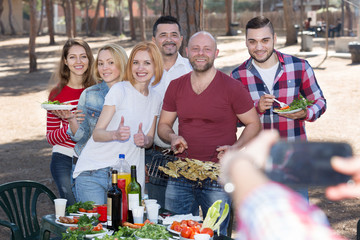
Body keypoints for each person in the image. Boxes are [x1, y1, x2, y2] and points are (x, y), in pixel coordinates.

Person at [157, 31, 262, 235]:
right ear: (187, 52)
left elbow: (253, 124)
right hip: (180, 173)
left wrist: (235, 148)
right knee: (174, 232)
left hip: (218, 175)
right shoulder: (176, 86)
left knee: (215, 234)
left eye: (207, 49)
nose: (200, 53)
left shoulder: (232, 87)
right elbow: (164, 125)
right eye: (195, 48)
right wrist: (172, 137)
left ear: (216, 53)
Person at [230, 16, 327, 200]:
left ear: (274, 39)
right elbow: (232, 119)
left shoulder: (299, 67)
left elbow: (320, 101)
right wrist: (255, 108)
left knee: (296, 219)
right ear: (246, 43)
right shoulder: (238, 75)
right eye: (253, 41)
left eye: (265, 40)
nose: (259, 47)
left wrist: (306, 113)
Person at [72, 42, 163, 204]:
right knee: (95, 228)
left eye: (147, 63)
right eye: (136, 62)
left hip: (125, 177)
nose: (140, 68)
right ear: (129, 66)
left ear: (156, 67)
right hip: (94, 172)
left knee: (124, 228)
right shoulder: (120, 90)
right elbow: (97, 133)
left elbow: (149, 139)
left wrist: (145, 140)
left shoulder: (155, 98)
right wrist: (115, 134)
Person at [220, 130, 347, 240]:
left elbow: (279, 222)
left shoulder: (290, 229)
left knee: (300, 196)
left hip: (293, 158)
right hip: (266, 162)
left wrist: (239, 164)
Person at [64, 44, 128, 201]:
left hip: (122, 172)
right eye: (100, 63)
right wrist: (71, 120)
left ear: (122, 63)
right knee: (93, 224)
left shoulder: (135, 94)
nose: (104, 68)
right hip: (91, 171)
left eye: (110, 62)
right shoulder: (90, 94)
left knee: (121, 223)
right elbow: (80, 137)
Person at [145, 15, 193, 207]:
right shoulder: (143, 72)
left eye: (174, 34)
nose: (169, 39)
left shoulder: (191, 71)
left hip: (185, 155)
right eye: (163, 35)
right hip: (152, 154)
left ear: (181, 39)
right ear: (154, 40)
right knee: (156, 211)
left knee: (182, 213)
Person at [46, 39, 95, 206]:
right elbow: (51, 137)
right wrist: (69, 124)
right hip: (64, 158)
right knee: (73, 208)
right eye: (73, 57)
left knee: (92, 208)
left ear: (89, 59)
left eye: (83, 56)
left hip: (92, 158)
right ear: (65, 61)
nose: (79, 62)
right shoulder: (57, 94)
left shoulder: (98, 89)